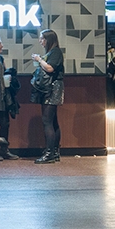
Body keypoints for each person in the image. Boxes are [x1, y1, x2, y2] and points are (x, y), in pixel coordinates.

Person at [29, 30, 65, 163]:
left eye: (42, 39)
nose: (40, 41)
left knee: (47, 121)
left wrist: (39, 59)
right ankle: (54, 151)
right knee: (53, 120)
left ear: (48, 40)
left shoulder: (55, 52)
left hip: (52, 89)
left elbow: (50, 69)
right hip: (53, 88)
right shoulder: (52, 52)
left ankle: (50, 153)